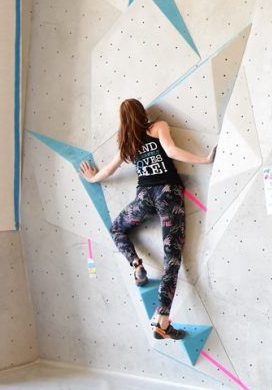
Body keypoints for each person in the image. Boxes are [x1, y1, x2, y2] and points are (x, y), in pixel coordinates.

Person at [80, 99, 214, 340]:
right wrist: (204, 160)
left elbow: (109, 170)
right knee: (172, 257)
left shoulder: (127, 142)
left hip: (144, 199)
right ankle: (162, 321)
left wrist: (92, 179)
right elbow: (171, 151)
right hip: (167, 195)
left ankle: (136, 265)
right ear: (143, 113)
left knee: (117, 229)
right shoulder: (158, 127)